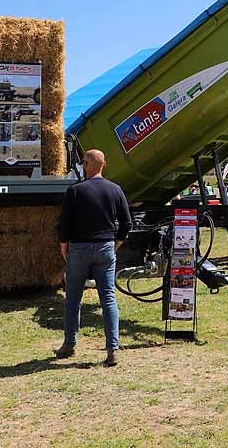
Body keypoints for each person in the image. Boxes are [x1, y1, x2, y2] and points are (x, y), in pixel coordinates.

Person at [55, 149, 132, 367]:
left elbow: (64, 224)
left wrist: (64, 248)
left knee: (73, 298)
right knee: (108, 298)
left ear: (86, 164)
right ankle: (112, 350)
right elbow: (127, 223)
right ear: (104, 165)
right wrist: (115, 245)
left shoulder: (75, 191)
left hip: (79, 248)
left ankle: (69, 345)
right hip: (105, 248)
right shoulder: (115, 190)